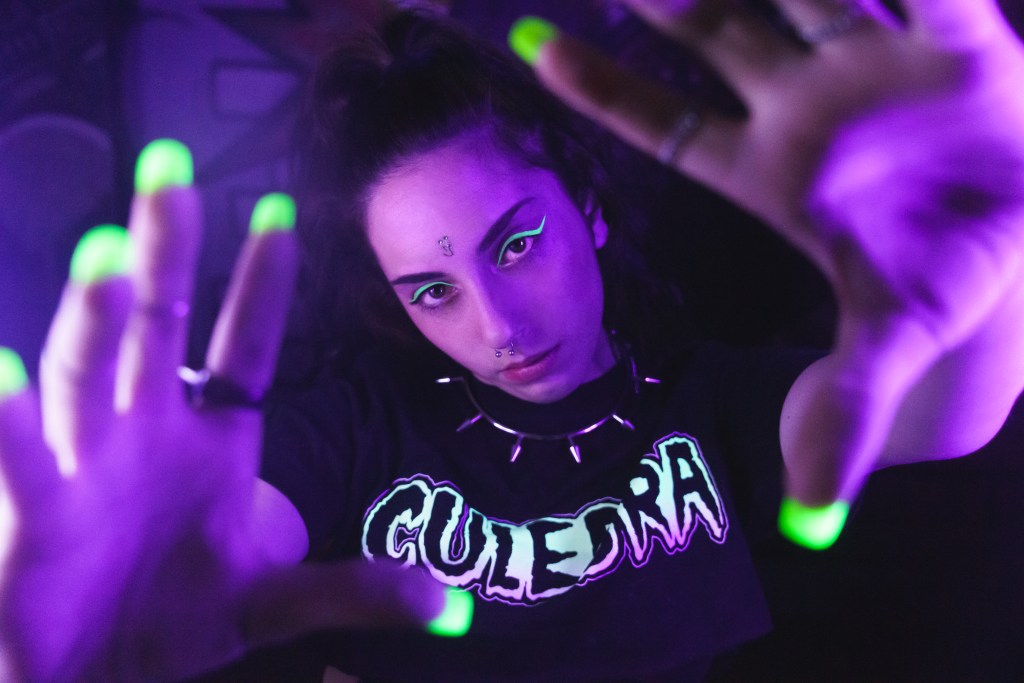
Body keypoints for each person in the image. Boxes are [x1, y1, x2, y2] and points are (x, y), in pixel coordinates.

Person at [2, 0, 1024, 680]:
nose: (496, 326)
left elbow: (943, 415)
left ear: (591, 207)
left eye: (518, 244)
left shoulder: (704, 399)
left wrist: (996, 238)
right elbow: (222, 536)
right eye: (432, 290)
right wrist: (71, 626)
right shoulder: (355, 429)